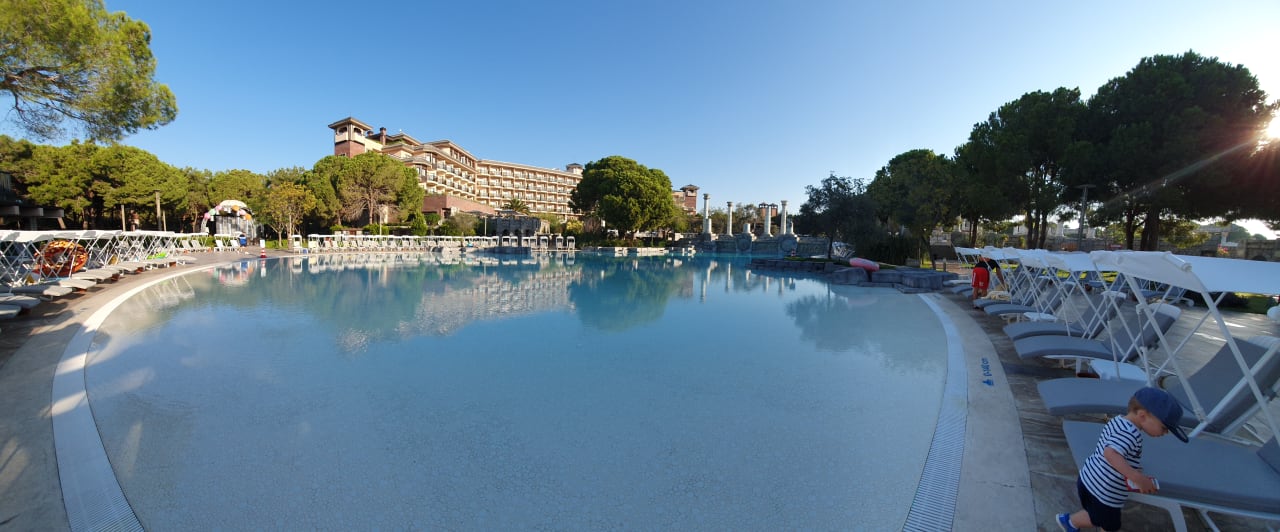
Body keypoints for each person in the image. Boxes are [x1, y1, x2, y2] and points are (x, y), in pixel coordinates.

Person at [1057, 387, 1189, 532]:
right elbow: (1111, 453)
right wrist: (1136, 477)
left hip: (1088, 479)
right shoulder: (1131, 434)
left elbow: (1115, 451)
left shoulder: (1118, 421)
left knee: (1096, 516)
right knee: (1109, 524)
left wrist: (1130, 467)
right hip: (1103, 491)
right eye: (1164, 428)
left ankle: (1070, 522)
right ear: (1143, 416)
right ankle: (1070, 522)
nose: (1165, 433)